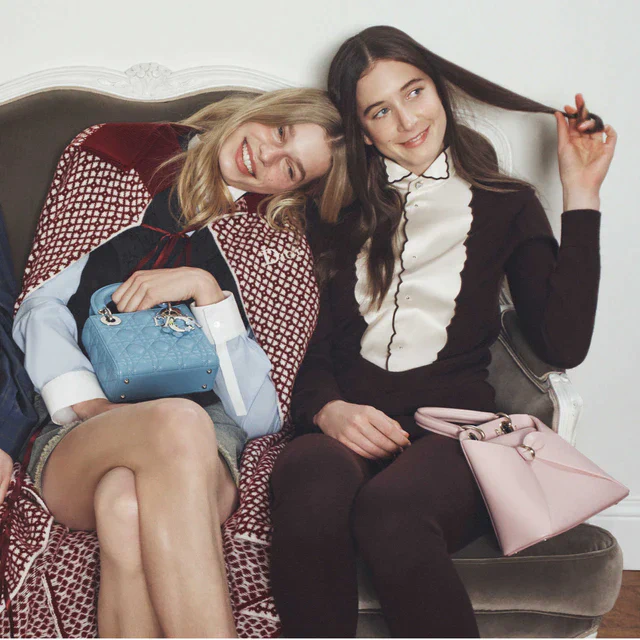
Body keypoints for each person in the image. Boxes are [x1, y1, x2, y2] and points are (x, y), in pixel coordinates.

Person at [269, 26, 617, 638]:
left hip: (454, 438)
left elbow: (563, 344)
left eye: (415, 92)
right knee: (308, 478)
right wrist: (326, 409)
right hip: (347, 426)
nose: (407, 121)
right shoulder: (331, 209)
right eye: (380, 110)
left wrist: (581, 193)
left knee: (392, 511)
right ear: (361, 129)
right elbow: (307, 339)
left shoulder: (508, 203)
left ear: (439, 91)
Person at [7, 88, 351, 637]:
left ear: (295, 189)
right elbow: (38, 307)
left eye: (290, 168)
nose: (265, 155)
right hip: (82, 426)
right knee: (176, 422)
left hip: (206, 439)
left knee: (124, 505)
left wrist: (206, 291)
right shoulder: (117, 161)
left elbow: (261, 416)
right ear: (264, 110)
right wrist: (89, 406)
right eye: (280, 132)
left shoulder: (277, 245)